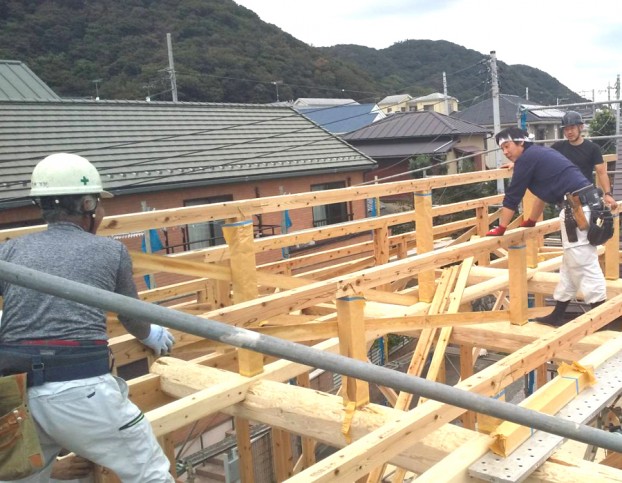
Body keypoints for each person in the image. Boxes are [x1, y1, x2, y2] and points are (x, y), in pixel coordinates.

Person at [0, 153, 176, 482]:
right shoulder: (110, 251)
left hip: (16, 392)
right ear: (86, 205)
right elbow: (132, 315)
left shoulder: (8, 252)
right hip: (80, 389)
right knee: (151, 473)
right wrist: (150, 335)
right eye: (99, 202)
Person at [486, 127, 607, 327]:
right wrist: (532, 220)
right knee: (570, 263)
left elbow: (513, 196)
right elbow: (543, 192)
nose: (505, 152)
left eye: (507, 146)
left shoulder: (527, 160)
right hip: (584, 206)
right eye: (502, 149)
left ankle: (600, 317)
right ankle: (558, 314)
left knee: (583, 262)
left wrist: (501, 227)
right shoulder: (537, 154)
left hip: (577, 210)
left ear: (520, 142)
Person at [552, 110, 617, 210]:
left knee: (589, 224)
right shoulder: (558, 147)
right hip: (565, 197)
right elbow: (544, 161)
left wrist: (608, 194)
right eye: (566, 129)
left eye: (572, 128)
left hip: (586, 196)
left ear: (581, 127)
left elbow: (602, 172)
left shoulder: (592, 148)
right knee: (566, 224)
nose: (569, 132)